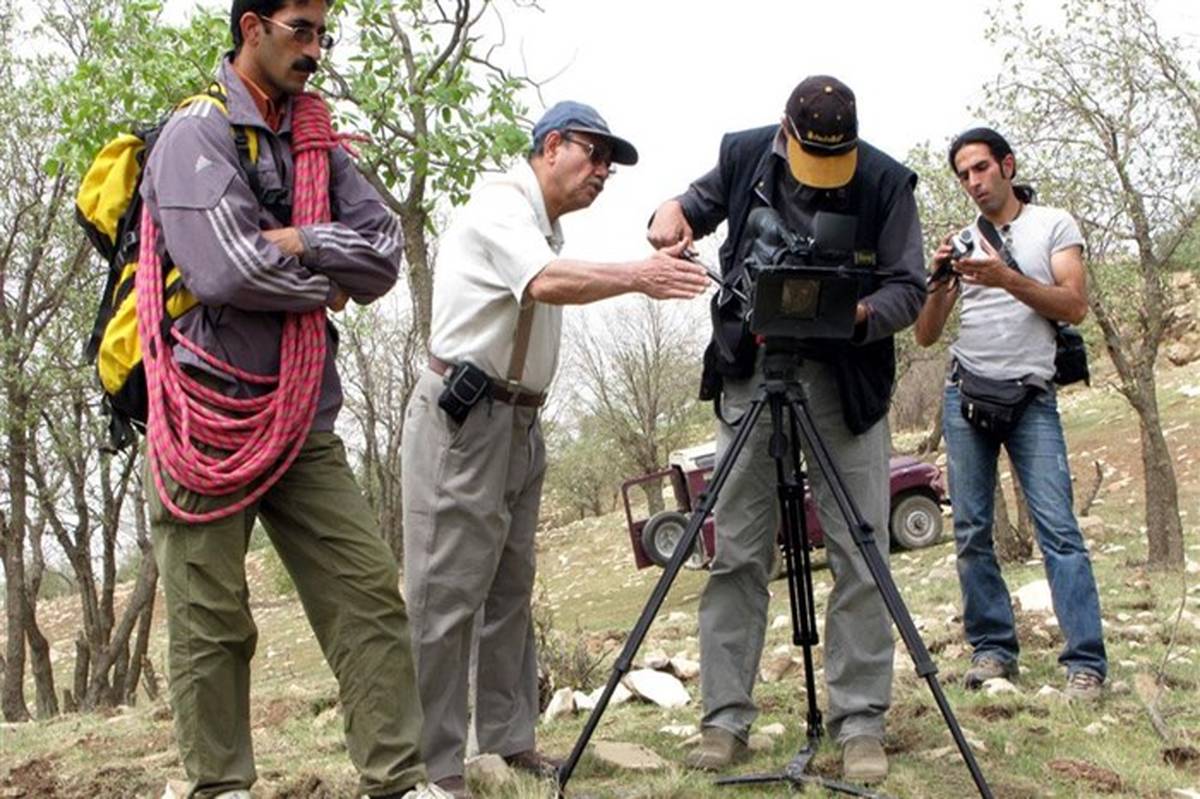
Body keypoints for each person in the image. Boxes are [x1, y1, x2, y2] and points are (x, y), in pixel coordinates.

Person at [141, 2, 445, 797]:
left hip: (304, 411)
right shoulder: (194, 135)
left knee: (368, 591)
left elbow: (383, 251)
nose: (316, 49)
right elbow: (225, 270)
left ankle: (399, 778)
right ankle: (221, 786)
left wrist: (305, 239)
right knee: (212, 616)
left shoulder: (314, 139)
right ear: (251, 26)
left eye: (322, 33)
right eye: (300, 29)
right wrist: (323, 284)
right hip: (209, 414)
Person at [401, 101, 708, 798]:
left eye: (610, 163)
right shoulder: (500, 203)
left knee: (510, 585)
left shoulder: (548, 226)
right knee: (447, 591)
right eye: (593, 154)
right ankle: (435, 763)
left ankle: (506, 741)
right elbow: (543, 283)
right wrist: (640, 274)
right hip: (465, 418)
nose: (602, 172)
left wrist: (645, 269)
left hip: (519, 422)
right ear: (550, 146)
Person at [648, 75, 926, 785]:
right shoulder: (744, 155)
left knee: (862, 549)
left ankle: (861, 720)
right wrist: (670, 215)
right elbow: (691, 206)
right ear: (785, 130)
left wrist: (850, 313)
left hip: (847, 385)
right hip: (753, 372)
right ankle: (724, 719)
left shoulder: (888, 181)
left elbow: (909, 288)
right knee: (738, 549)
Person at [913, 126, 1107, 701]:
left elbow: (1074, 305)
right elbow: (926, 337)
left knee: (1059, 531)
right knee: (972, 530)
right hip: (966, 392)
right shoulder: (961, 238)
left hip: (1031, 396)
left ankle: (1086, 663)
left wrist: (1007, 279)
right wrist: (939, 282)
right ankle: (993, 650)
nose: (973, 182)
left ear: (1007, 165)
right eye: (963, 175)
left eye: (980, 169)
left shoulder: (1054, 225)